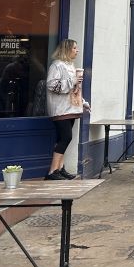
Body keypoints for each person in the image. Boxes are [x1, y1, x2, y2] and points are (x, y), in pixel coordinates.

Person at [45, 38, 89, 180]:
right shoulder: (57, 66)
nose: (77, 50)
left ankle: (60, 168)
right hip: (60, 109)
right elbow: (52, 85)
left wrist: (83, 102)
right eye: (75, 48)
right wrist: (72, 81)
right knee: (66, 137)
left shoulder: (70, 65)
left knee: (62, 139)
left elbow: (75, 90)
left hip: (71, 108)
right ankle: (52, 171)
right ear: (67, 49)